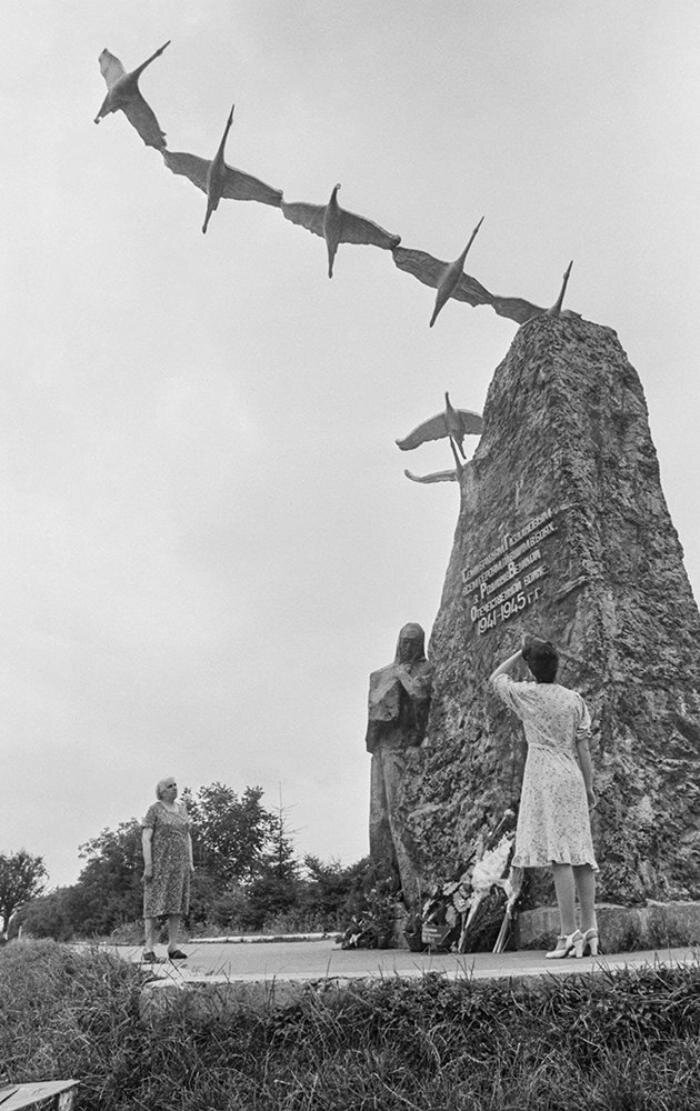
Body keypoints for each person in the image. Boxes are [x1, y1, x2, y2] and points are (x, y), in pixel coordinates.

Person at [489, 633, 598, 958]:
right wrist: (589, 786)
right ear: (556, 667)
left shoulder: (527, 695)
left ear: (532, 668)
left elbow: (496, 678)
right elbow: (583, 747)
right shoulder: (574, 699)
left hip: (545, 776)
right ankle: (590, 928)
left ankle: (568, 935)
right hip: (571, 775)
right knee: (581, 852)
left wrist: (517, 652)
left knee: (560, 856)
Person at [365, 622, 433, 909]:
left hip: (403, 748)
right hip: (381, 748)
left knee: (398, 816)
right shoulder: (379, 674)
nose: (407, 647)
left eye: (413, 642)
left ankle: (414, 896)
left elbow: (420, 697)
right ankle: (384, 896)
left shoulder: (425, 669)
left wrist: (403, 674)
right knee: (378, 819)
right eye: (404, 641)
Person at [141, 776, 194, 963]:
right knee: (152, 905)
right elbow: (146, 837)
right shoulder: (154, 810)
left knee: (176, 905)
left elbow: (187, 836)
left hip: (180, 865)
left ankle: (173, 946)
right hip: (160, 864)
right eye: (169, 786)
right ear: (161, 791)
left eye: (175, 785)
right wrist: (148, 865)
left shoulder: (182, 809)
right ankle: (148, 948)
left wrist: (191, 861)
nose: (174, 788)